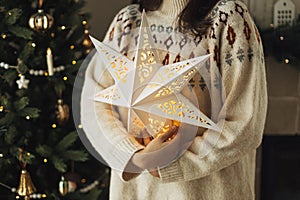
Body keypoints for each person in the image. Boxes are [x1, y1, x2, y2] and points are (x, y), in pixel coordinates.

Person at [80, 0, 267, 199]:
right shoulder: (128, 21)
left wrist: (164, 163)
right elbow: (93, 102)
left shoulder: (229, 18)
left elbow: (244, 123)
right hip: (137, 193)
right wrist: (133, 157)